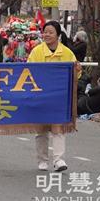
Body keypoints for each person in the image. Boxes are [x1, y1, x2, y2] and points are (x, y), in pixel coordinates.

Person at [27, 20, 78, 172]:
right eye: (45, 32)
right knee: (41, 131)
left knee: (58, 129)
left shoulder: (67, 53)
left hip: (59, 98)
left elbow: (76, 74)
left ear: (58, 35)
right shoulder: (36, 51)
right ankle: (42, 160)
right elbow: (28, 71)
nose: (47, 35)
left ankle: (59, 160)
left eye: (50, 32)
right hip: (41, 96)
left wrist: (78, 69)